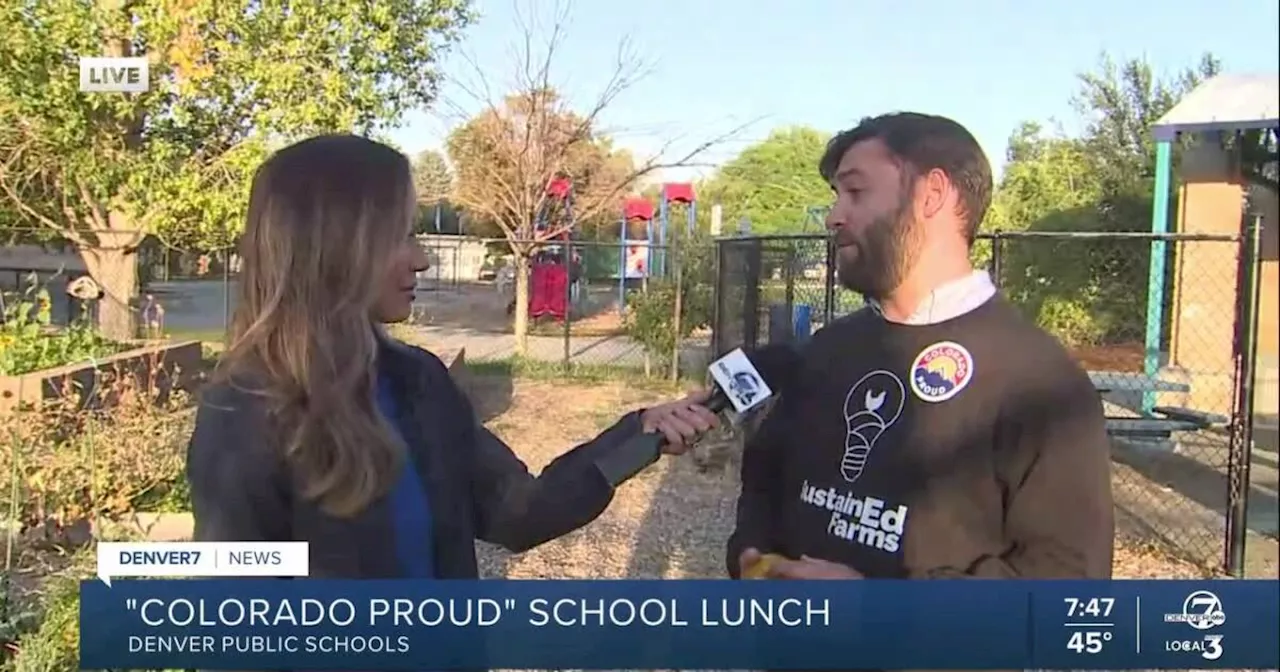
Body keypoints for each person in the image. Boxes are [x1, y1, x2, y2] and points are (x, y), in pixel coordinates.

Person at [187, 134, 720, 578]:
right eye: (400, 236)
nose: (420, 259)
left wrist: (640, 434)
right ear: (333, 247)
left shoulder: (418, 382)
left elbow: (519, 511)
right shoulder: (244, 413)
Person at [728, 113, 1113, 581]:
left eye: (856, 192)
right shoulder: (828, 349)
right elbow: (765, 476)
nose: (834, 216)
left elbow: (1065, 579)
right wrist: (753, 554)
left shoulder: (1040, 381)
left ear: (931, 194)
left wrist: (879, 612)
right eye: (836, 197)